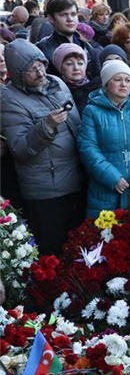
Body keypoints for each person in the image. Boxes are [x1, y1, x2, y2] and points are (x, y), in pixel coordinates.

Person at [1, 39, 85, 255]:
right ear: (18, 75)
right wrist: (46, 126)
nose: (40, 73)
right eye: (31, 70)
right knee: (53, 252)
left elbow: (77, 128)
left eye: (41, 65)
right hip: (46, 191)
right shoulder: (10, 98)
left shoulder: (57, 83)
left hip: (76, 181)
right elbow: (20, 148)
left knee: (80, 250)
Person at [77, 60, 130, 218]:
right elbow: (88, 149)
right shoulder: (92, 111)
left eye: (127, 80)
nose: (123, 84)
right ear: (106, 83)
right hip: (106, 189)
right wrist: (112, 177)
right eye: (117, 80)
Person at [37, 0, 100, 79]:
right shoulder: (42, 50)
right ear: (51, 19)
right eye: (63, 15)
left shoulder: (87, 47)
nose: (70, 19)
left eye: (73, 14)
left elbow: (97, 77)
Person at [52, 43, 101, 113]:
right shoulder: (57, 94)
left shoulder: (99, 87)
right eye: (69, 64)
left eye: (80, 63)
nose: (76, 68)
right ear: (60, 67)